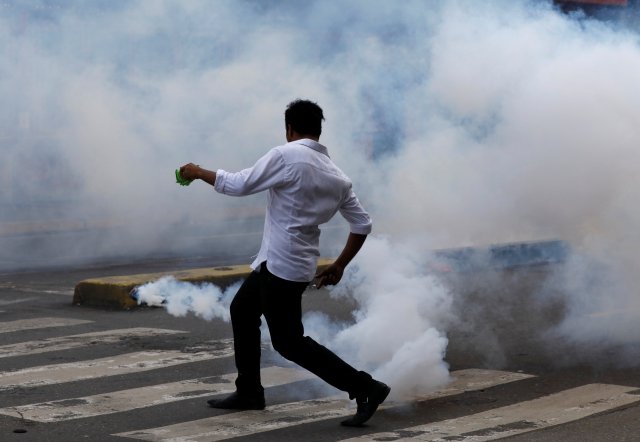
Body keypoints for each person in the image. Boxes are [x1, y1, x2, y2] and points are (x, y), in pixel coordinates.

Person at [179, 99, 390, 427]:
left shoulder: (285, 155)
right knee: (243, 310)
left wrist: (196, 172)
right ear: (318, 131)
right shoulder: (338, 177)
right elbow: (362, 224)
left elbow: (239, 184)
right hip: (294, 265)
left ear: (289, 129)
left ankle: (366, 387)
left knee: (290, 343)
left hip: (279, 266)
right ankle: (249, 390)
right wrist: (340, 265)